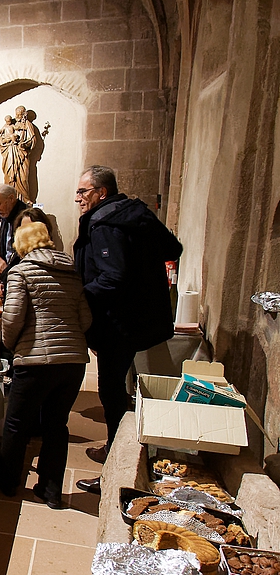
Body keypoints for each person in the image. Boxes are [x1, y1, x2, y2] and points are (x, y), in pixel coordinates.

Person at [72, 165, 182, 494]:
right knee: (117, 389)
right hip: (139, 317)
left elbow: (112, 276)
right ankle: (115, 449)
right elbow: (172, 249)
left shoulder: (105, 223)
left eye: (83, 191)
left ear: (101, 192)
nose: (78, 198)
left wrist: (77, 298)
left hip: (117, 322)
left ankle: (117, 470)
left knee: (111, 392)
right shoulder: (135, 213)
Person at [0, 222, 91, 509]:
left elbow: (13, 318)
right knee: (56, 424)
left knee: (17, 423)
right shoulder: (72, 271)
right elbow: (86, 319)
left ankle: (8, 482)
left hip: (35, 360)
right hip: (73, 361)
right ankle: (51, 490)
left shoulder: (21, 271)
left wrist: (12, 346)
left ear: (21, 245)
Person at [0, 184, 28, 298]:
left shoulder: (27, 218)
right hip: (9, 276)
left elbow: (24, 254)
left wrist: (5, 271)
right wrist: (1, 275)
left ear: (11, 198)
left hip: (22, 279)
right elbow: (6, 250)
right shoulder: (6, 217)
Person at [0, 105, 39, 203]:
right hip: (10, 153)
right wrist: (8, 139)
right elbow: (1, 139)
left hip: (22, 154)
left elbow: (32, 140)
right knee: (9, 176)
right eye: (17, 114)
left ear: (24, 114)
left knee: (23, 178)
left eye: (20, 115)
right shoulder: (10, 124)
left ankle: (25, 199)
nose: (18, 116)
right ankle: (8, 199)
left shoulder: (28, 125)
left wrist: (25, 144)